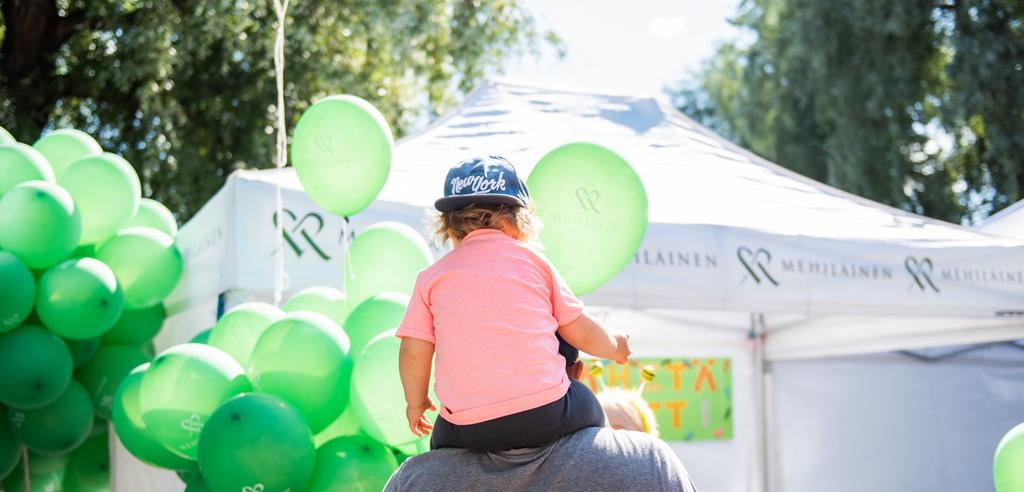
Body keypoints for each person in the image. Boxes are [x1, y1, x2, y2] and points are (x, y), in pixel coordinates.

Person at [397, 155, 632, 452]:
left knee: (441, 443)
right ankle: (599, 464)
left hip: (469, 428)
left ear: (449, 227)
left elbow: (414, 352)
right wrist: (615, 345)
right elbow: (579, 331)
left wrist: (415, 403)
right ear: (520, 220)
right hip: (546, 412)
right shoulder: (534, 262)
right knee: (588, 403)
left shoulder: (431, 278)